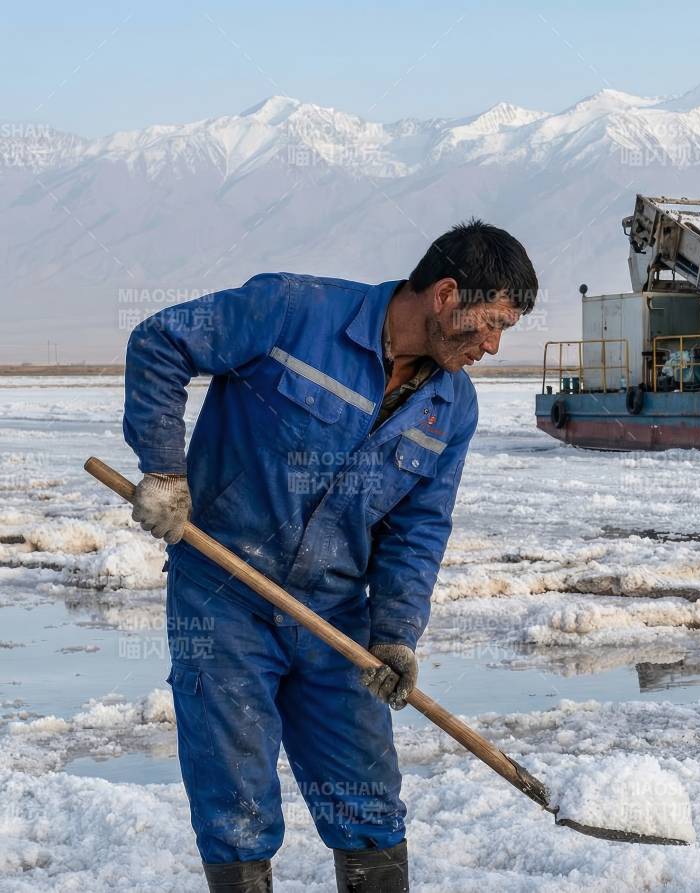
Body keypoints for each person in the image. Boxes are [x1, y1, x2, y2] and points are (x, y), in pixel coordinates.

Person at [123, 220, 538, 892]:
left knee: (368, 800)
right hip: (222, 596)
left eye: (505, 330)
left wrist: (397, 637)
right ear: (445, 294)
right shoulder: (295, 310)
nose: (493, 344)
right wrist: (165, 471)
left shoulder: (450, 407)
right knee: (236, 799)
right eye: (491, 323)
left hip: (335, 614)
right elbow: (161, 341)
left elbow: (418, 528)